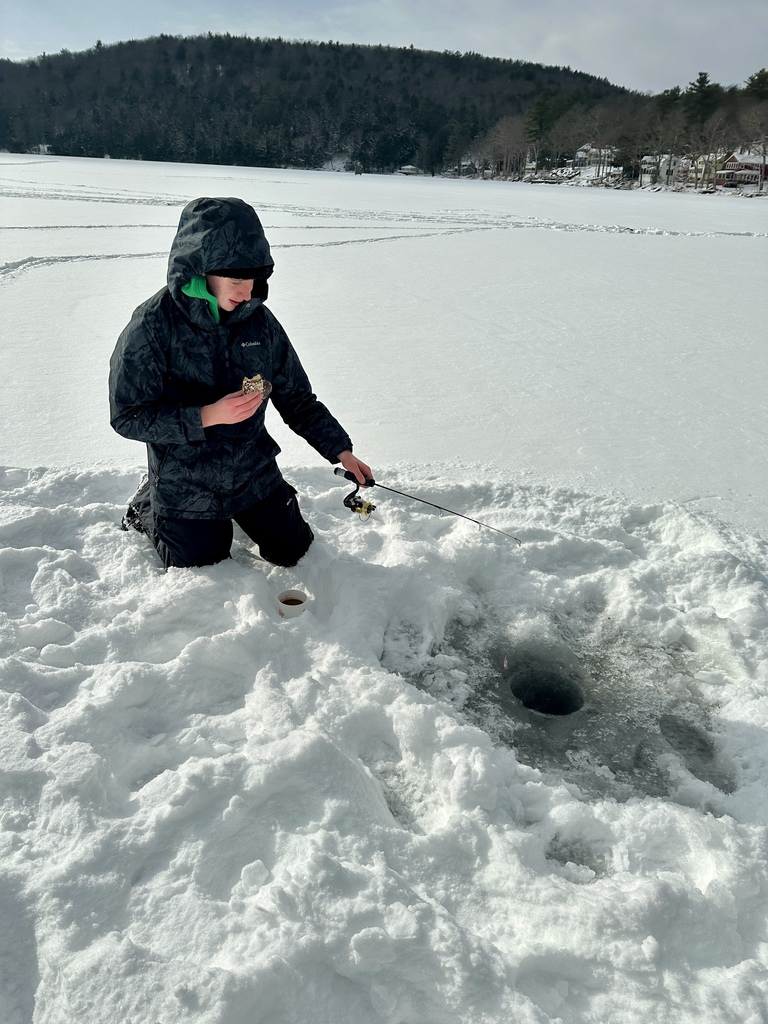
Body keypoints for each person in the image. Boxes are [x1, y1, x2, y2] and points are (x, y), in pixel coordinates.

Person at [110, 196, 371, 569]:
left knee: (294, 551)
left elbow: (297, 398)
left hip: (253, 471)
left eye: (252, 278)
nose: (247, 292)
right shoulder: (152, 325)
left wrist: (340, 450)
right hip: (186, 481)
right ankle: (148, 504)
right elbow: (128, 416)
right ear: (201, 270)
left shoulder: (259, 322)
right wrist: (207, 415)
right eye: (235, 279)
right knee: (204, 565)